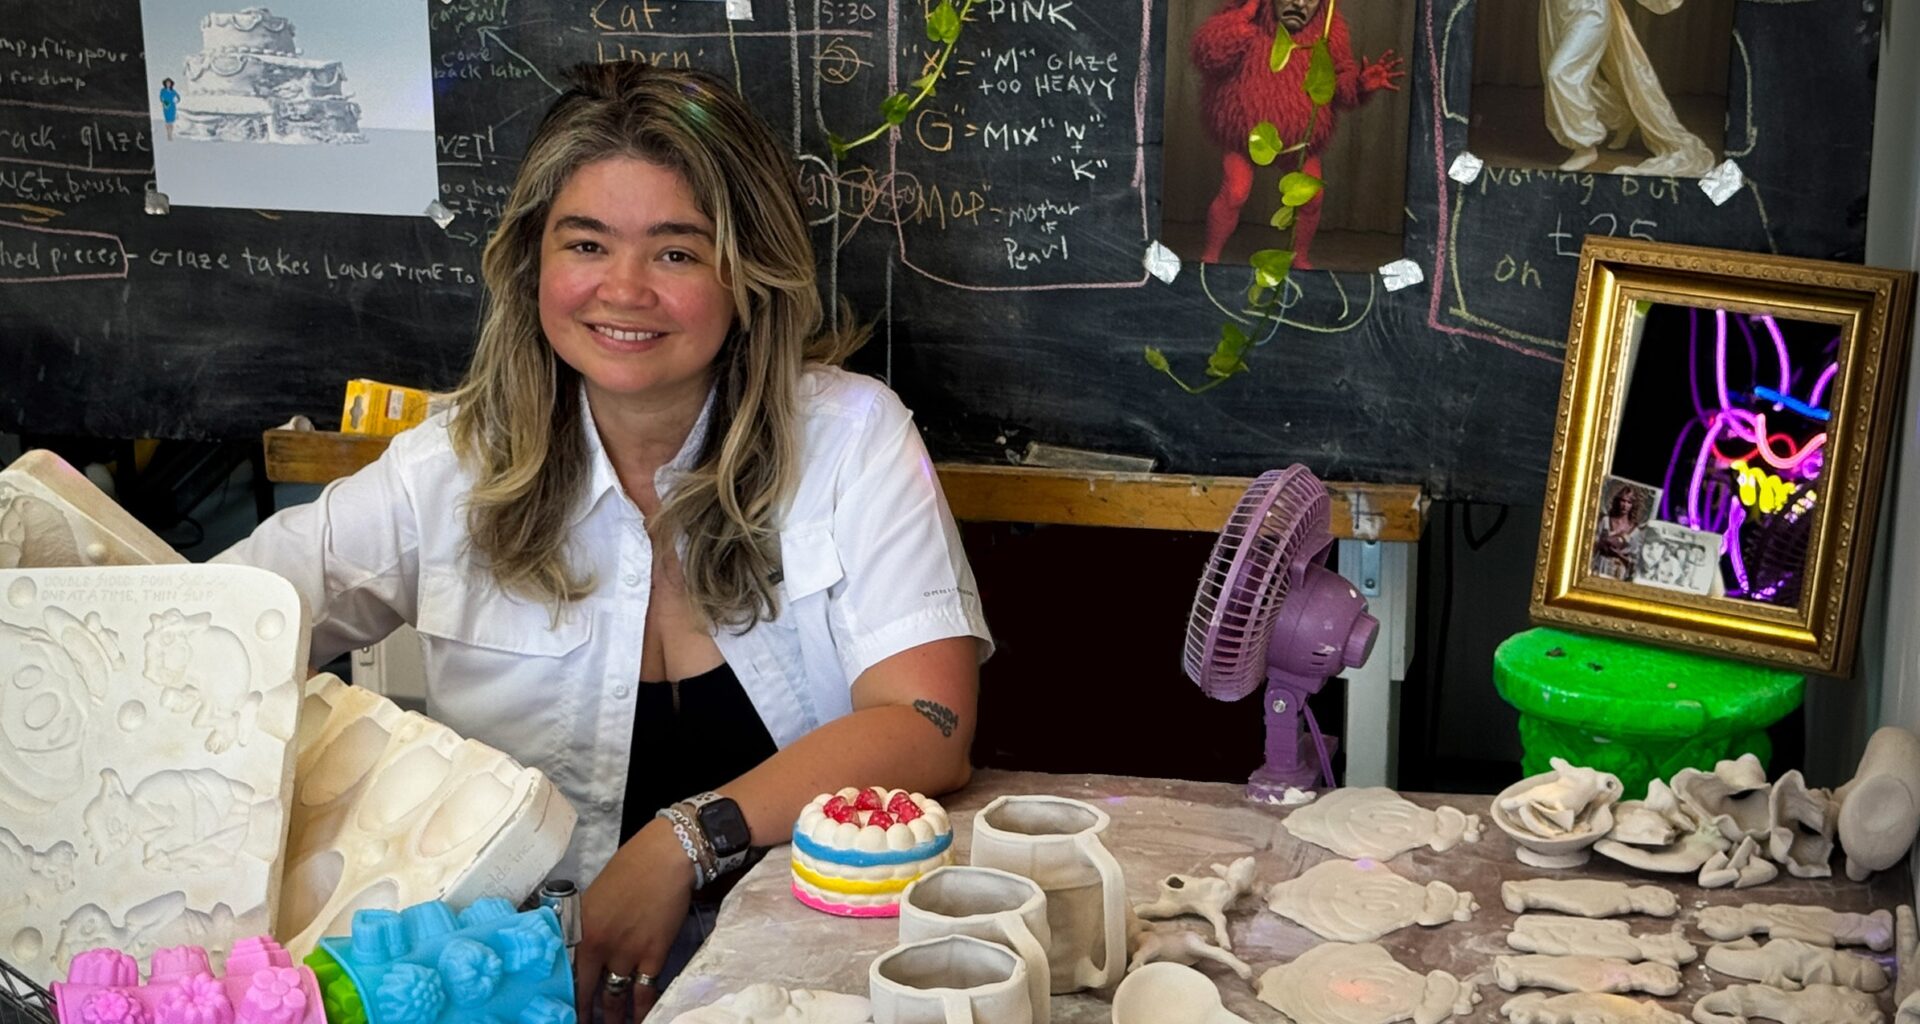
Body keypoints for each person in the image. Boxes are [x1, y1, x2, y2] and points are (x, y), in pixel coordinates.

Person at [216, 63, 991, 1022]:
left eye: (676, 252)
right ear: (532, 261)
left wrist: (682, 842)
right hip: (521, 989)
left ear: (747, 273)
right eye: (586, 243)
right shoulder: (447, 469)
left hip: (801, 978)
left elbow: (928, 723)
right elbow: (206, 631)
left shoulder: (853, 436)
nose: (622, 290)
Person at [1189, 0, 1401, 266]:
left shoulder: (1328, 28)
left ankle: (1300, 257)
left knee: (1312, 197)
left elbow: (1338, 79)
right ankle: (1210, 257)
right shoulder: (1248, 14)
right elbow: (1208, 56)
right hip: (1245, 131)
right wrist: (1244, 15)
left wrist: (1360, 84)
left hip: (1299, 139)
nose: (1299, 3)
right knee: (1235, 191)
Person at [1538, 0, 1713, 176]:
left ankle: (1585, 146)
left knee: (1560, 74)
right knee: (1583, 83)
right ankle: (1622, 119)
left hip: (1590, 13)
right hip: (1556, 12)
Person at [1591, 482, 1648, 580]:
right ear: (1617, 501)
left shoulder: (1635, 531)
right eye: (1623, 501)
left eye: (1629, 502)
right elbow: (1593, 544)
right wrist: (1603, 543)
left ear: (1633, 505)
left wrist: (1619, 555)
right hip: (1601, 566)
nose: (1625, 505)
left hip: (1620, 572)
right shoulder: (1606, 521)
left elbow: (1635, 559)